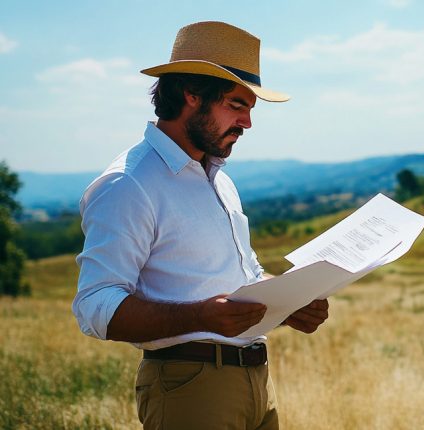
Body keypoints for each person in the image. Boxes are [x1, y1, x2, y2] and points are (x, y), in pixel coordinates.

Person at [72, 21, 329, 429]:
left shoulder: (219, 180)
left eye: (249, 110)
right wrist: (199, 317)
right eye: (236, 105)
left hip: (257, 381)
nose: (247, 124)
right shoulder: (128, 184)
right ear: (192, 94)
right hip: (190, 387)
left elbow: (237, 278)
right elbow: (94, 306)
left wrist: (288, 306)